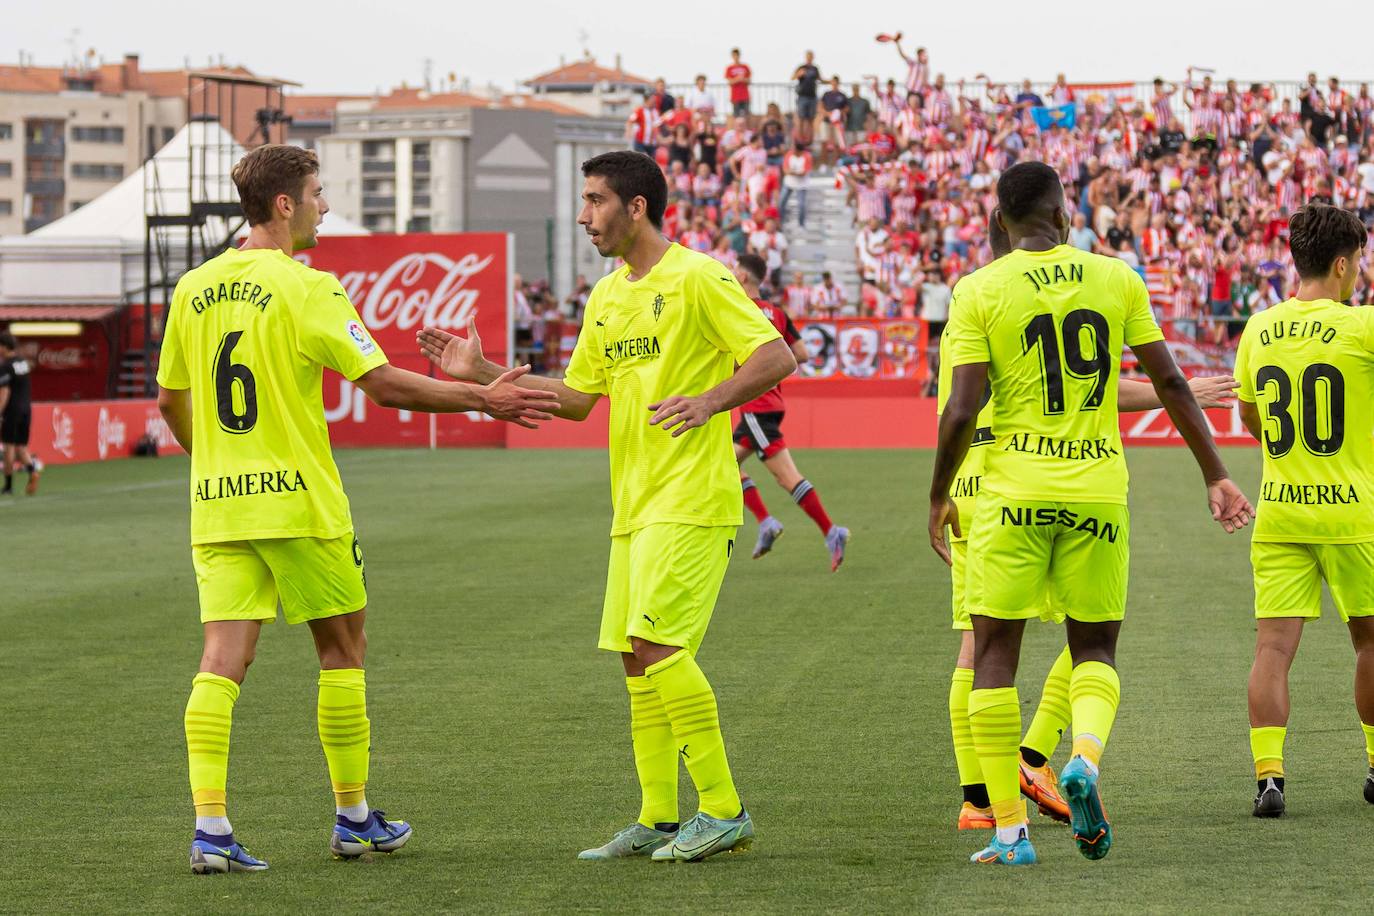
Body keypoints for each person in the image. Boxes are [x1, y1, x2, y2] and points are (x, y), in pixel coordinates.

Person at [156, 144, 559, 874]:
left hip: (217, 506)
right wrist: (484, 396)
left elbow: (168, 399)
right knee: (342, 650)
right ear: (284, 205)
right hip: (302, 505)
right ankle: (352, 819)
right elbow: (383, 385)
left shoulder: (192, 288)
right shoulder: (307, 287)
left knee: (220, 661)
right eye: (316, 191)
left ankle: (210, 828)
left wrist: (212, 461)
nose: (325, 204)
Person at [418, 150, 796, 862]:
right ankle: (657, 817)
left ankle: (723, 809)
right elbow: (578, 401)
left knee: (659, 645)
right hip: (634, 503)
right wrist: (486, 376)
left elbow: (776, 355)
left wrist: (712, 398)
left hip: (692, 499)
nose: (585, 215)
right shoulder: (608, 296)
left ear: (637, 207)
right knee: (633, 656)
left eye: (594, 201)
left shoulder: (699, 277)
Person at [929, 161, 1252, 866]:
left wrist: (937, 493)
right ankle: (1082, 761)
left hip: (1010, 494)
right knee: (1095, 650)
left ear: (1000, 221)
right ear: (1065, 213)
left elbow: (959, 408)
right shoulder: (1116, 277)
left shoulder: (979, 289)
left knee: (991, 659)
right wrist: (1217, 473)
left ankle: (1007, 832)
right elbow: (1168, 379)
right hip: (1098, 493)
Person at [1232, 204, 1374, 818]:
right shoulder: (1364, 326)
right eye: (1359, 263)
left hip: (1282, 511)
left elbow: (1249, 418)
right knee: (1370, 642)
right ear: (1342, 264)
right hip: (1354, 514)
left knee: (1273, 649)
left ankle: (1270, 778)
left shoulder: (1258, 328)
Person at [729, 253, 849, 569]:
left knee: (786, 477)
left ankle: (829, 531)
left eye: (733, 271)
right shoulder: (777, 313)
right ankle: (767, 522)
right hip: (768, 405)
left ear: (742, 278)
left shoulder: (741, 311)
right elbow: (802, 353)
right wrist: (771, 368)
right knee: (722, 464)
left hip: (756, 406)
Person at [0, 332, 40, 495]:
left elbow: (5, 392)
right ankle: (33, 471)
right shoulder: (22, 362)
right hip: (26, 409)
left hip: (12, 410)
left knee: (8, 447)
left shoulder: (5, 366)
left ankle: (8, 486)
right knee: (21, 447)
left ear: (3, 346)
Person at [792, 52, 821, 138]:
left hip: (812, 97)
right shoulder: (801, 67)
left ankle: (810, 139)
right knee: (801, 119)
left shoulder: (815, 69)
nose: (809, 58)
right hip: (802, 97)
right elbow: (793, 77)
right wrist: (799, 74)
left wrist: (831, 82)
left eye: (811, 56)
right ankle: (801, 139)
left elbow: (820, 79)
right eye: (808, 56)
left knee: (811, 119)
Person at [725, 49, 751, 119]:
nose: (736, 57)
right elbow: (730, 82)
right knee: (736, 116)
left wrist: (740, 79)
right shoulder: (729, 68)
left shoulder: (745, 67)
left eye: (737, 55)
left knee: (746, 115)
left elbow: (749, 80)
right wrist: (738, 79)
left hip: (745, 96)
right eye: (734, 55)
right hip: (735, 96)